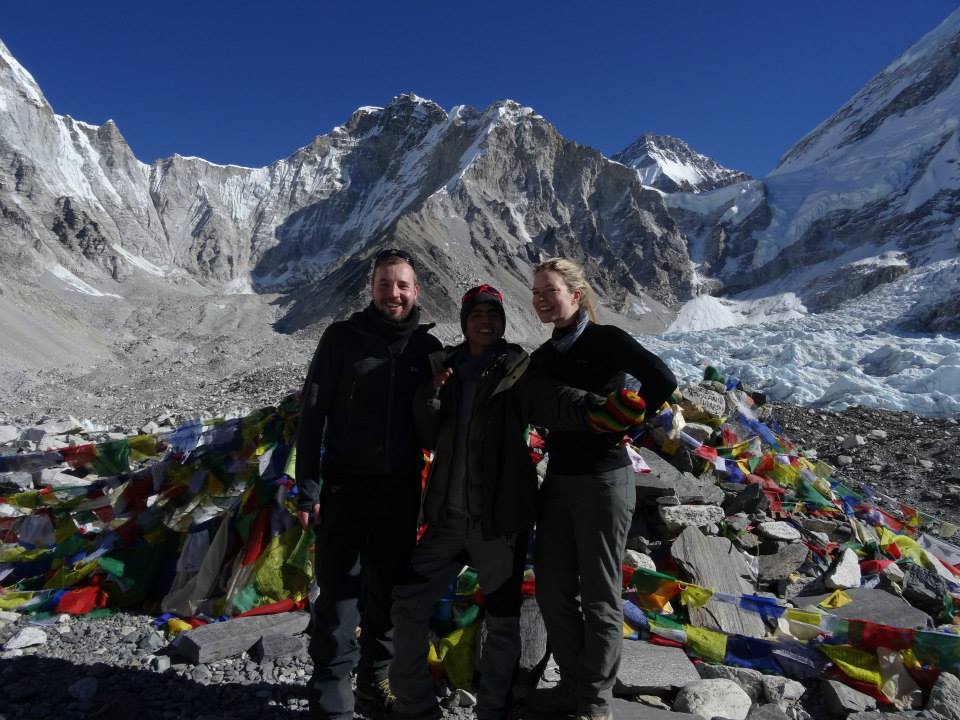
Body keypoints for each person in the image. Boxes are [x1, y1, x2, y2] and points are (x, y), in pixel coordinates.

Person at [388, 285, 647, 720]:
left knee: (504, 621)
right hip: (447, 520)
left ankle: (494, 707)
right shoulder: (444, 369)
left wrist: (598, 411)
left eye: (494, 314)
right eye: (478, 315)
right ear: (465, 320)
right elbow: (428, 433)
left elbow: (554, 401)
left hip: (498, 522)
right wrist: (432, 394)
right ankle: (415, 706)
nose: (486, 321)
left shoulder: (518, 370)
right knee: (408, 604)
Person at [294, 248, 442, 720]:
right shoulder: (343, 338)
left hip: (399, 492)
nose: (392, 294)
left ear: (416, 290)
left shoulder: (427, 350)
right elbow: (312, 415)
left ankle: (377, 685)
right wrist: (308, 487)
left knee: (387, 593)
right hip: (345, 489)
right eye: (384, 284)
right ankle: (330, 696)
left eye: (401, 285)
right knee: (338, 598)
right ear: (371, 288)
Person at [528, 258, 677, 720]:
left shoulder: (606, 340)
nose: (542, 299)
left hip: (604, 479)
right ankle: (573, 682)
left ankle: (595, 699)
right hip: (559, 481)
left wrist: (632, 422)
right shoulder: (544, 356)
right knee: (552, 590)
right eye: (536, 292)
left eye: (550, 290)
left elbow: (662, 379)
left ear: (576, 293)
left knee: (599, 593)